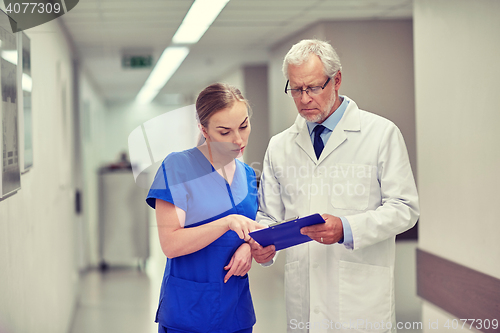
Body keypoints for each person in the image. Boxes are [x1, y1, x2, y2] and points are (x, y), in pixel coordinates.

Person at [249, 39, 420, 333]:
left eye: (313, 87)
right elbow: (268, 215)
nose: (303, 99)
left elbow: (405, 208)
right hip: (304, 305)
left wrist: (347, 228)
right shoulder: (279, 146)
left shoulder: (380, 134)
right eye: (296, 88)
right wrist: (265, 247)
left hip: (361, 303)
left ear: (336, 79)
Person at [146, 83, 263, 333]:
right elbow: (170, 244)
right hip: (189, 312)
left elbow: (251, 230)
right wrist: (225, 222)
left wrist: (247, 247)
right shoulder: (177, 167)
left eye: (244, 126)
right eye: (224, 131)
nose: (238, 139)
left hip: (236, 310)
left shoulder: (249, 175)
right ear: (204, 130)